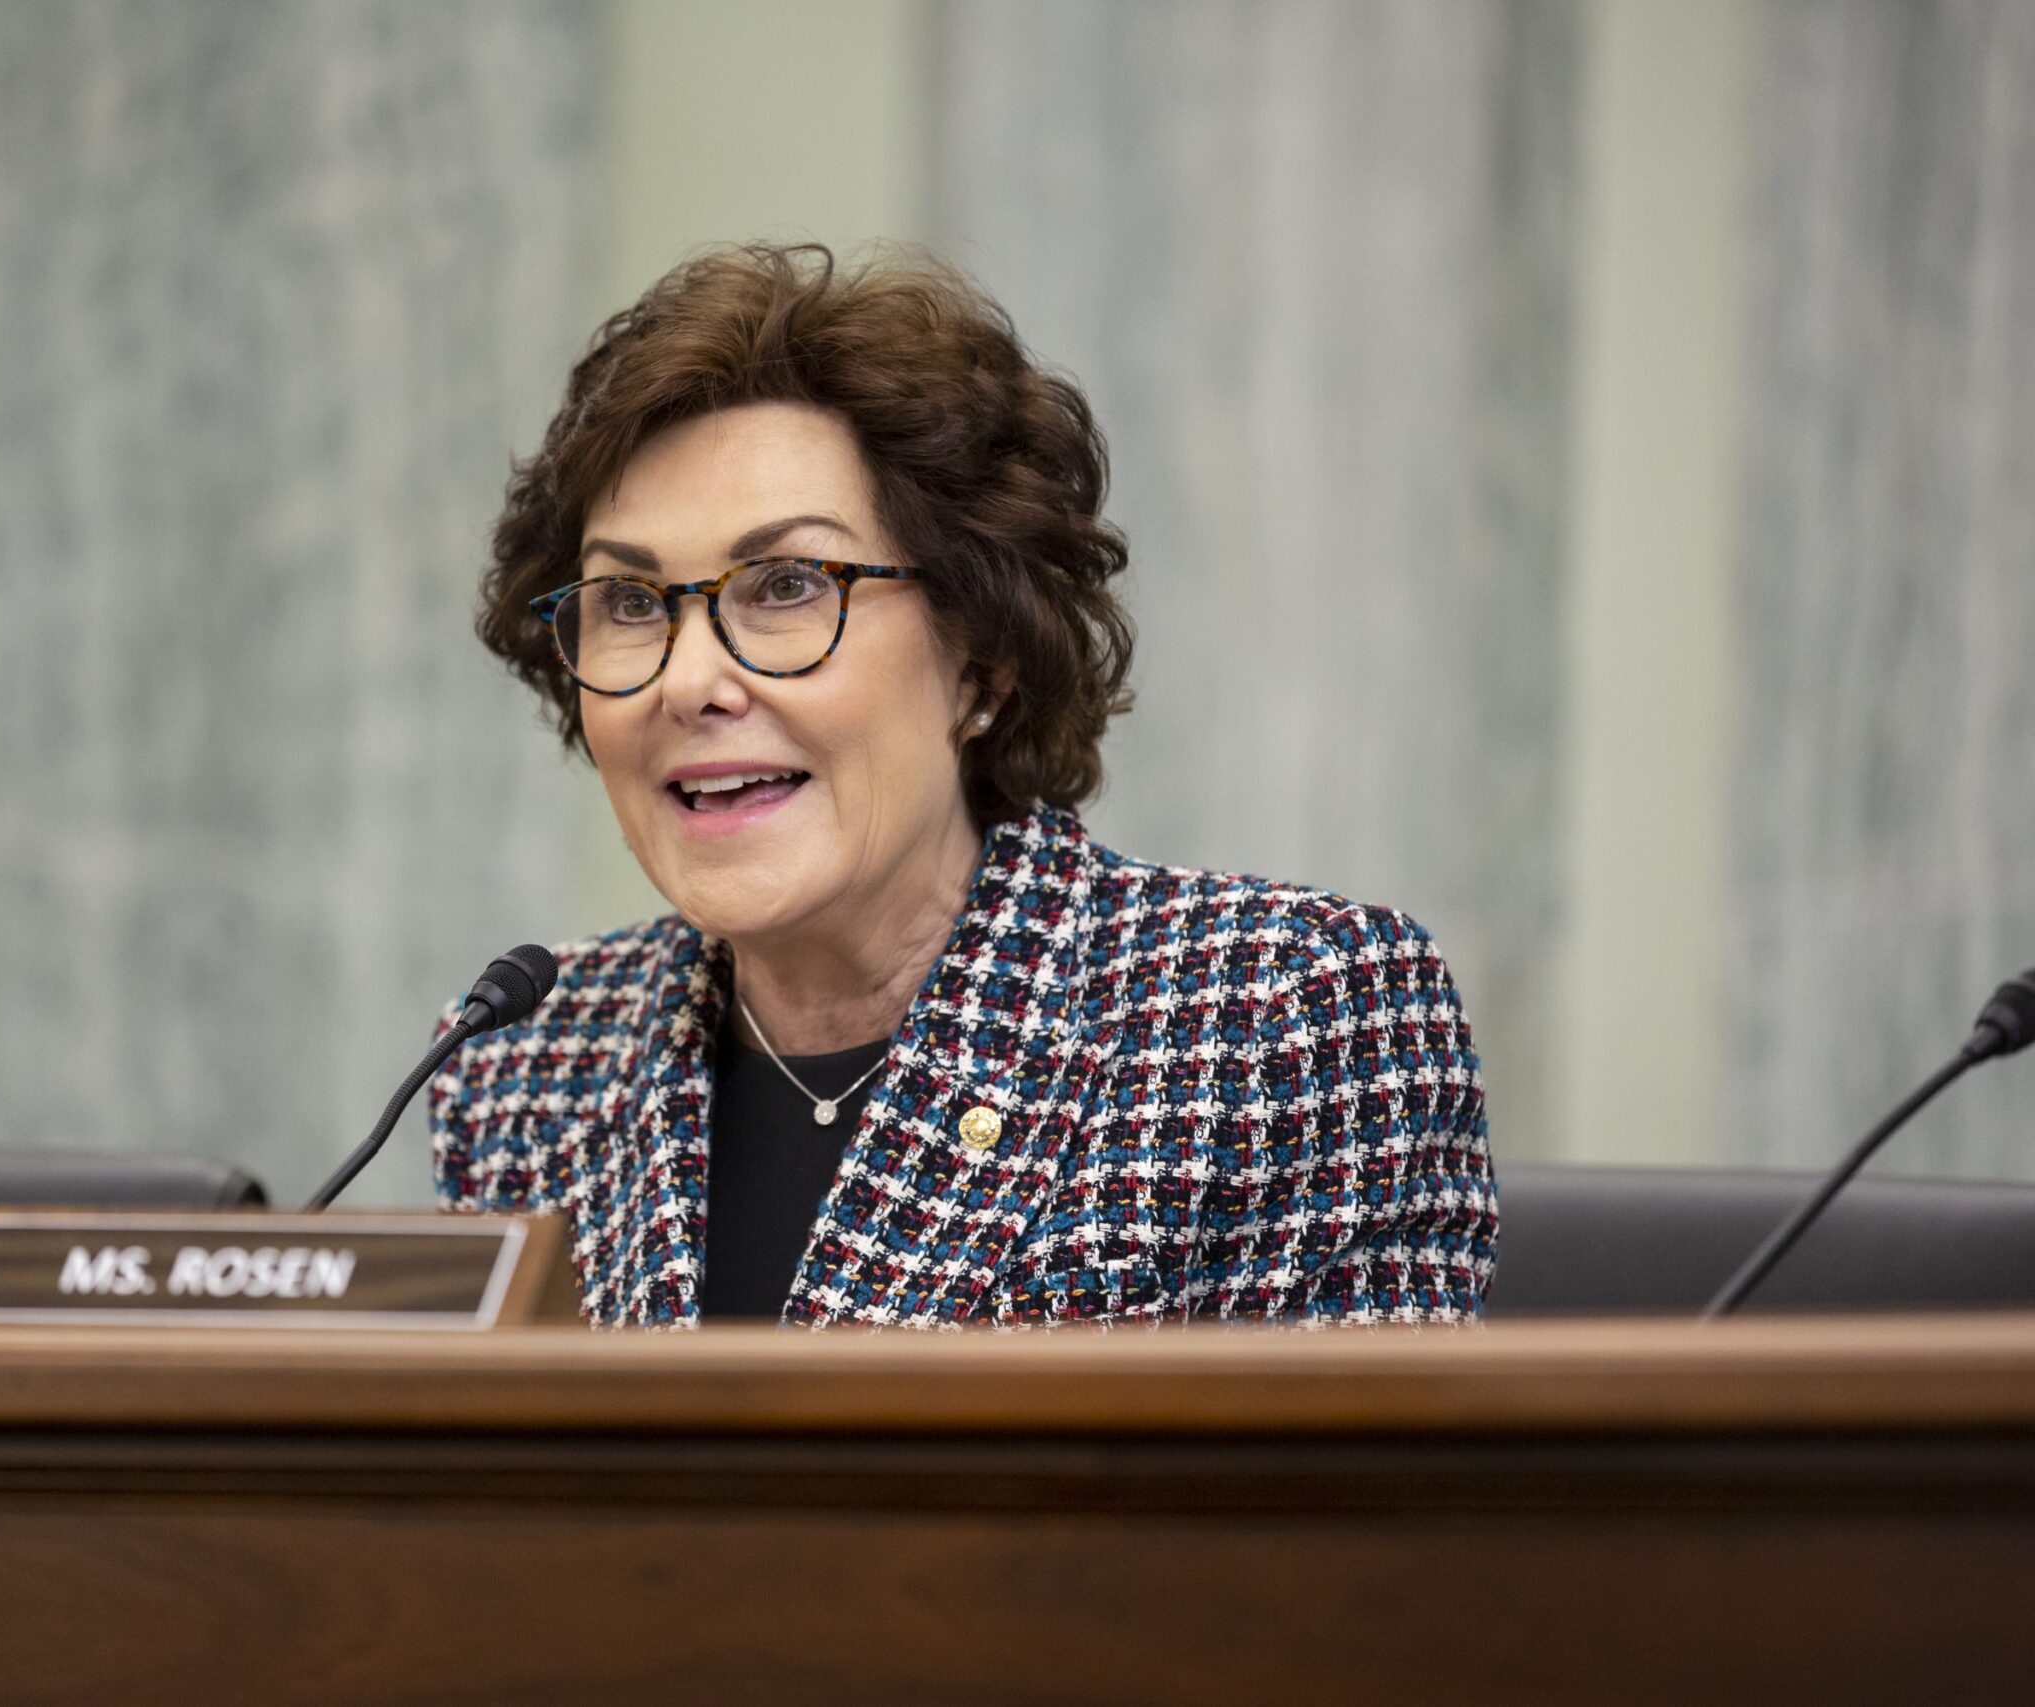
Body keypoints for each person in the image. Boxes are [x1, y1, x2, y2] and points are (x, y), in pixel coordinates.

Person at [429, 244, 1496, 1328]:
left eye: (789, 585)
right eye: (630, 602)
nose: (691, 680)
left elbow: (1332, 1499)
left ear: (978, 662)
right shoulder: (524, 1067)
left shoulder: (1282, 1021)